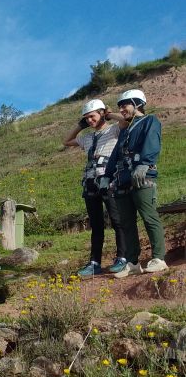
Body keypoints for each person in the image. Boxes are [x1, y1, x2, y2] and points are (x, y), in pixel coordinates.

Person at [102, 89, 167, 277]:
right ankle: (132, 263)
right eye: (119, 106)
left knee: (149, 216)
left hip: (142, 176)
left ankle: (159, 258)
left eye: (125, 105)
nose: (121, 109)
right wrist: (107, 174)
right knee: (126, 223)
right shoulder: (126, 128)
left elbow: (153, 143)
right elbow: (116, 153)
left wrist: (145, 163)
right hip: (122, 178)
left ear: (137, 104)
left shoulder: (150, 121)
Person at [62, 99, 127, 276]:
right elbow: (66, 141)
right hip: (90, 184)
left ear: (101, 113)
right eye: (86, 118)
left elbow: (125, 120)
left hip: (110, 181)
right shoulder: (87, 138)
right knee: (96, 225)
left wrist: (109, 114)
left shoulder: (113, 129)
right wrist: (79, 125)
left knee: (116, 219)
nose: (90, 120)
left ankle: (123, 257)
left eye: (92, 116)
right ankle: (94, 263)